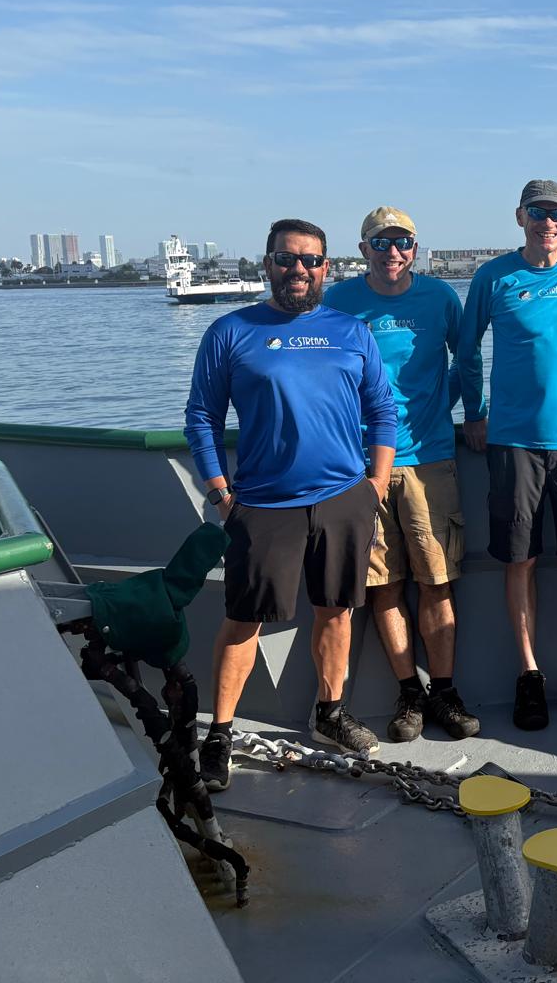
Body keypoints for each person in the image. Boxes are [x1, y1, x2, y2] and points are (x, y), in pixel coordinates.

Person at [187, 218, 396, 790]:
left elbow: (382, 409)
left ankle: (330, 712)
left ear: (327, 266)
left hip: (342, 499)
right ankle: (221, 732)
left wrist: (374, 486)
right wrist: (221, 492)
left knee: (336, 610)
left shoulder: (351, 331)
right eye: (286, 259)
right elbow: (201, 416)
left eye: (310, 260)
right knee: (243, 620)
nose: (298, 270)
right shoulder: (231, 331)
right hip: (261, 504)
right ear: (268, 264)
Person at [456, 180, 557, 730]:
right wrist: (474, 411)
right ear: (520, 217)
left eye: (556, 213)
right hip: (513, 441)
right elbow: (466, 346)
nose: (546, 222)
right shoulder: (493, 276)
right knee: (519, 558)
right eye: (536, 212)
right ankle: (529, 673)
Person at [323, 205, 484, 743]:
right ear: (363, 248)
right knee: (385, 587)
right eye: (382, 242)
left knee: (436, 581)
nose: (394, 251)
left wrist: (459, 409)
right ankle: (408, 694)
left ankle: (443, 690)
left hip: (429, 457)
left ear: (415, 248)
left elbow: (466, 361)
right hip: (360, 464)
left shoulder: (440, 297)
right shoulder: (339, 301)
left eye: (404, 242)